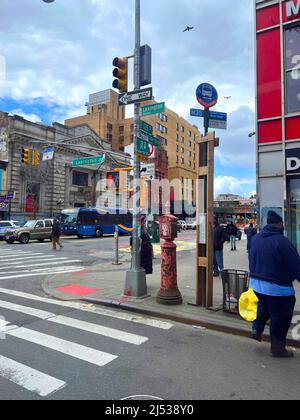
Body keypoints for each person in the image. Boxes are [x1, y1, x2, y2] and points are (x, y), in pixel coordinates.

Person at [249, 210, 300, 358]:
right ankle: (277, 348)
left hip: (257, 284)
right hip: (278, 288)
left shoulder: (256, 239)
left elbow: (251, 258)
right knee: (280, 317)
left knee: (264, 305)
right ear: (279, 224)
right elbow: (295, 266)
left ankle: (256, 328)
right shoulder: (282, 242)